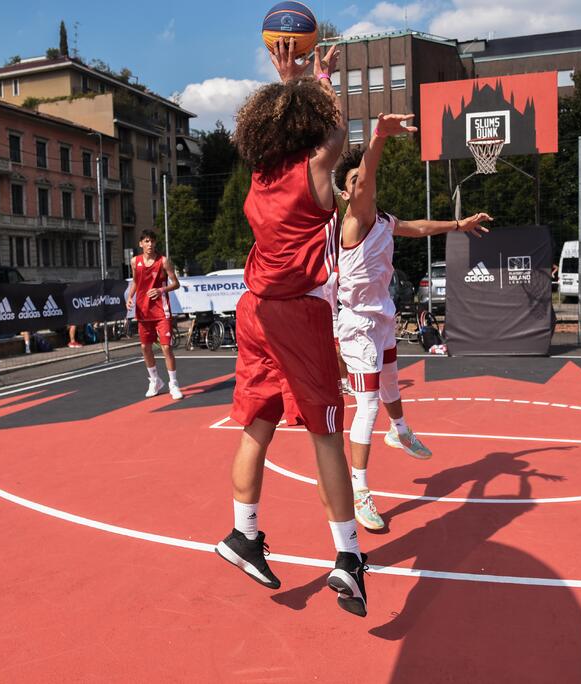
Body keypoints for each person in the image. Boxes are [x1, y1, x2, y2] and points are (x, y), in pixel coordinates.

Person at [213, 39, 371, 618]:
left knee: (257, 424)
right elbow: (338, 135)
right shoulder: (314, 172)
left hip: (253, 308)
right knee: (326, 433)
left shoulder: (261, 174)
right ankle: (348, 556)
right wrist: (321, 81)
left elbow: (304, 130)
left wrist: (288, 79)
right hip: (297, 313)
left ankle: (243, 533)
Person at [333, 120, 492, 530]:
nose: (362, 183)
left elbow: (418, 228)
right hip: (357, 325)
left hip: (382, 317)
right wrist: (378, 136)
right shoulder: (354, 219)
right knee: (367, 404)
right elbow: (367, 176)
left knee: (390, 382)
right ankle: (360, 492)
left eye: (362, 177)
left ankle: (400, 431)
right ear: (346, 192)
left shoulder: (383, 220)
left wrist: (458, 225)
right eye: (354, 181)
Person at [126, 229, 182, 400]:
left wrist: (161, 290)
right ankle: (155, 380)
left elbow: (176, 284)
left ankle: (174, 384)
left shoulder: (163, 261)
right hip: (143, 311)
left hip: (161, 311)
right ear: (141, 243)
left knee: (166, 347)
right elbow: (136, 281)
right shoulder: (135, 261)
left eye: (152, 241)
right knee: (145, 347)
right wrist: (130, 297)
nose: (150, 244)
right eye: (147, 241)